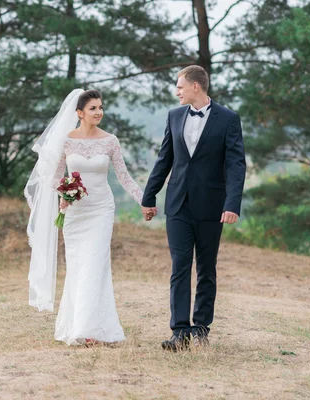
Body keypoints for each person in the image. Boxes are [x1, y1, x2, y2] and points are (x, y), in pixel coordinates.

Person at [25, 89, 148, 346]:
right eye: (93, 108)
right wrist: (66, 191)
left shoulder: (110, 141)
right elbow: (54, 177)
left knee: (95, 265)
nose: (99, 112)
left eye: (100, 107)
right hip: (75, 213)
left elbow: (124, 177)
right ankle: (76, 325)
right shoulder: (67, 141)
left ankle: (91, 330)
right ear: (79, 113)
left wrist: (144, 201)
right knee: (79, 267)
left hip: (102, 210)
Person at [141, 65, 246, 351]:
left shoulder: (228, 119)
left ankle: (201, 327)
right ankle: (179, 331)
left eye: (180, 87)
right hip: (177, 204)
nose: (177, 92)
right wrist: (148, 197)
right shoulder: (174, 116)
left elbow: (236, 165)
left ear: (195, 87)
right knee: (179, 267)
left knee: (206, 269)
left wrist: (232, 203)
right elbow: (165, 159)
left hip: (212, 206)